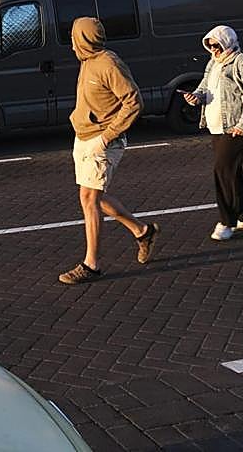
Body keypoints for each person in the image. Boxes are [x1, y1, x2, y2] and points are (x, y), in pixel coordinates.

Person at [58, 17, 159, 284]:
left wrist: (106, 137)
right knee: (93, 199)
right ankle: (142, 231)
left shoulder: (108, 64)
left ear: (83, 39)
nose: (71, 41)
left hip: (102, 142)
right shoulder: (88, 59)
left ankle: (91, 265)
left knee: (90, 200)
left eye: (73, 36)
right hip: (84, 137)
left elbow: (134, 102)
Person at [182, 25, 243, 241]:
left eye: (217, 45)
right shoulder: (213, 63)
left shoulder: (241, 61)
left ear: (226, 41)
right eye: (210, 45)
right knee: (233, 171)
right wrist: (195, 97)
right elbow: (204, 88)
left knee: (222, 170)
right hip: (216, 126)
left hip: (235, 126)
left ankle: (226, 222)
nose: (214, 49)